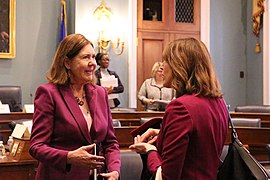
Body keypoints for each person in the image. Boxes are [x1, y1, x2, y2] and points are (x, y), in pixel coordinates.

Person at [129, 37, 228, 180]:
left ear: (179, 66)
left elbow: (167, 176)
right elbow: (200, 142)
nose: (162, 67)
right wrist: (163, 134)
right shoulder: (218, 102)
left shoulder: (180, 107)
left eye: (166, 61)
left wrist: (150, 150)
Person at [29, 34, 120, 180]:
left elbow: (110, 142)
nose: (93, 63)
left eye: (93, 57)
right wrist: (69, 157)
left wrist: (114, 170)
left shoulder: (100, 93)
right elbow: (36, 146)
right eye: (85, 58)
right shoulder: (49, 93)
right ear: (67, 63)